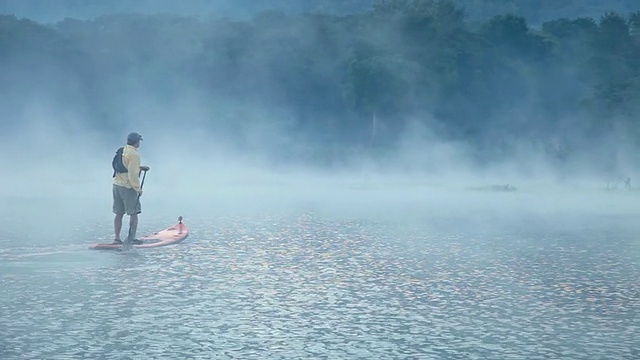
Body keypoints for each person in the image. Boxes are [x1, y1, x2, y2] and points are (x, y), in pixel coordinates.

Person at [112, 132, 150, 244]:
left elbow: (125, 166)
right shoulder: (134, 155)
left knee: (118, 213)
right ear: (137, 142)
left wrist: (139, 168)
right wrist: (138, 189)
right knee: (134, 213)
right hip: (128, 187)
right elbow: (132, 175)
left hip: (116, 185)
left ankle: (117, 238)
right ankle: (132, 238)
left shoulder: (122, 150)